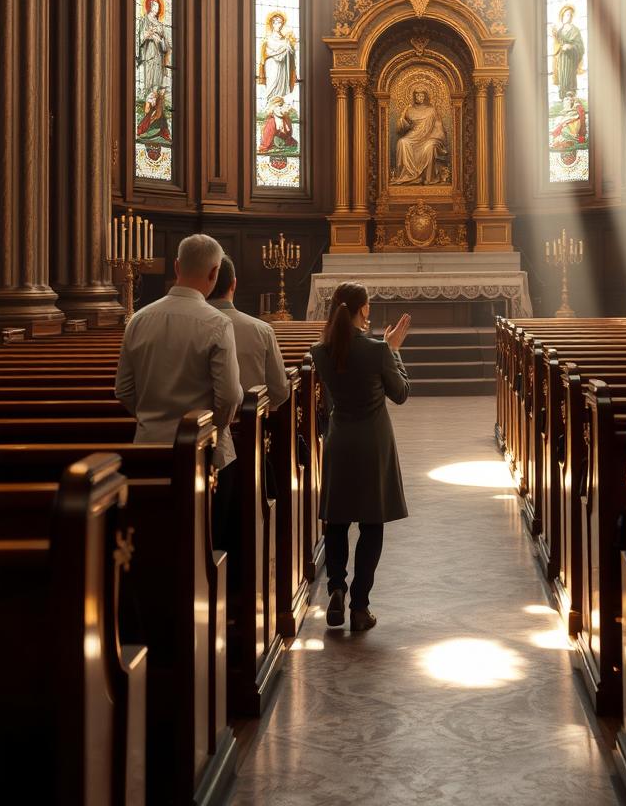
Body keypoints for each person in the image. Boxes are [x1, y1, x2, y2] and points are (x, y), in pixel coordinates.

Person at [310, 283, 411, 632]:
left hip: (339, 440)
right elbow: (400, 394)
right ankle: (359, 606)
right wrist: (393, 350)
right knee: (372, 523)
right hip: (373, 444)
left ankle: (335, 588)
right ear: (364, 310)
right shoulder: (377, 350)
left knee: (337, 520)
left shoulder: (320, 351)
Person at [115, 234, 242, 470]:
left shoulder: (138, 319)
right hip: (202, 449)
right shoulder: (218, 323)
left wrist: (154, 421)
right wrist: (212, 427)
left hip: (147, 447)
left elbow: (123, 389)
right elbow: (230, 397)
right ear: (214, 272)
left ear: (176, 266)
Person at [208, 255, 290, 408]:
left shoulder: (182, 327)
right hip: (252, 427)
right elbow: (279, 391)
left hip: (195, 427)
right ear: (234, 284)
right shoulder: (262, 331)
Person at [394, 86, 448, 184]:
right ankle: (407, 175)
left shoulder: (431, 110)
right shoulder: (409, 110)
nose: (419, 97)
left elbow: (438, 126)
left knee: (429, 146)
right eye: (417, 95)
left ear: (425, 96)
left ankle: (427, 178)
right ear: (414, 96)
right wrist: (403, 115)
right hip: (413, 136)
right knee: (402, 142)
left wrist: (437, 139)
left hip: (428, 137)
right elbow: (401, 129)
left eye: (421, 94)